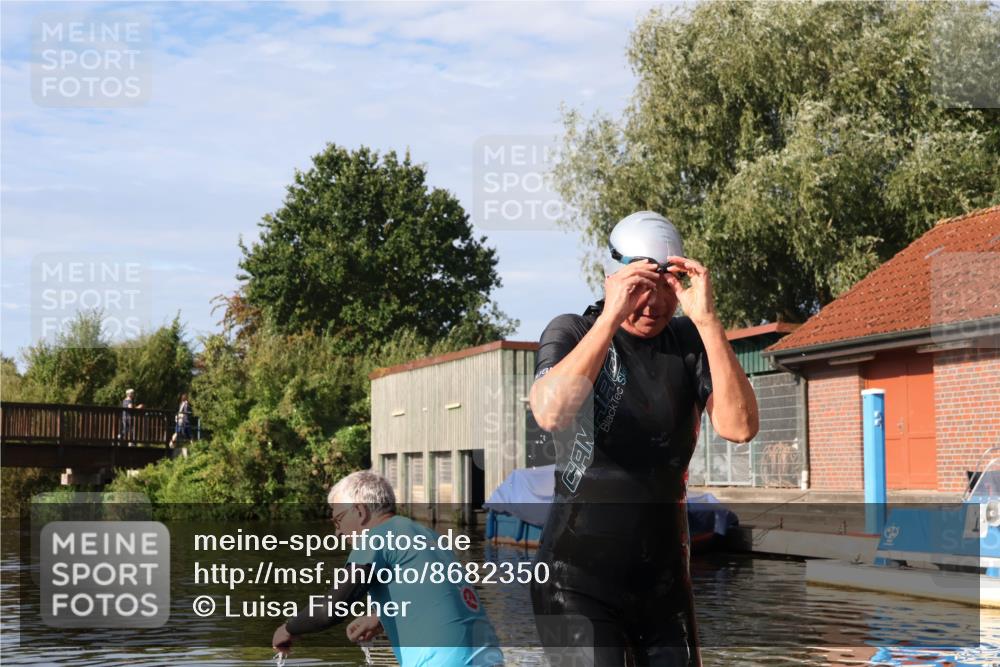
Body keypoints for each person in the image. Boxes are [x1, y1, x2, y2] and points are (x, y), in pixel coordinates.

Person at [528, 211, 759, 667]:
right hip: (572, 582)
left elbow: (740, 427)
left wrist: (709, 323)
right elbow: (551, 412)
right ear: (612, 278)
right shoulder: (572, 331)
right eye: (639, 289)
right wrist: (611, 317)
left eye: (665, 290)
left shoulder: (690, 342)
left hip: (664, 585)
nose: (652, 305)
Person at [271, 471, 504, 667]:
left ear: (360, 511)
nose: (338, 532)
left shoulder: (375, 539)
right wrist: (381, 618)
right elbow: (438, 593)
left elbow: (332, 610)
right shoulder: (428, 536)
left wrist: (289, 628)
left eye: (338, 520)